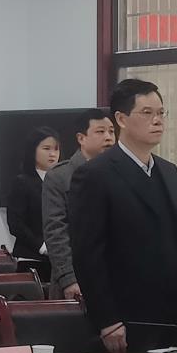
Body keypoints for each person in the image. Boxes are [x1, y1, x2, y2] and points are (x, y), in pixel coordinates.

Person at [69, 79, 177, 353]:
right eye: (147, 113)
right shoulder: (95, 174)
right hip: (127, 317)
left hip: (175, 316)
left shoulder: (169, 171)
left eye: (161, 113)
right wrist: (107, 320)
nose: (158, 120)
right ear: (121, 119)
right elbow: (88, 255)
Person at [43, 107, 115, 301]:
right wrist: (68, 278)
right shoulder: (60, 176)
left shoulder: (120, 173)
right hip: (77, 279)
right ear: (81, 138)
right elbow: (56, 232)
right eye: (100, 131)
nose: (108, 137)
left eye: (111, 131)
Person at [4, 127, 59, 268]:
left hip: (60, 259)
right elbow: (15, 223)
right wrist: (41, 246)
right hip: (31, 257)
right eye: (46, 148)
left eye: (56, 149)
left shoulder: (62, 182)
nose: (53, 154)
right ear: (33, 150)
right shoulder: (22, 182)